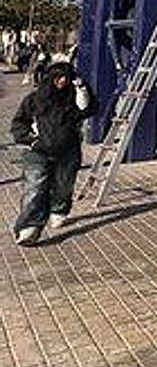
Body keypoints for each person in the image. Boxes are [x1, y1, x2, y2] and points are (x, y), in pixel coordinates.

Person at [10, 62, 95, 245]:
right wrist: (31, 140)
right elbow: (18, 124)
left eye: (66, 77)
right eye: (58, 77)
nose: (62, 81)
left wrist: (81, 88)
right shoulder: (34, 100)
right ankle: (29, 228)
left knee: (64, 185)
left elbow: (88, 109)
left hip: (68, 151)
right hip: (38, 152)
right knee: (35, 188)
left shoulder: (73, 98)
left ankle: (59, 209)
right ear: (51, 78)